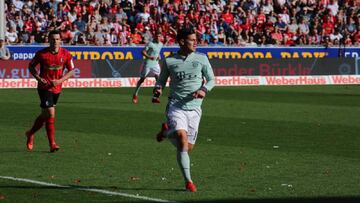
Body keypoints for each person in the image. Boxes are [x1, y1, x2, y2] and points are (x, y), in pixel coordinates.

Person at [153, 28, 215, 192]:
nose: (196, 42)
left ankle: (166, 133)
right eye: (192, 40)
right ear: (181, 42)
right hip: (176, 106)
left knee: (188, 147)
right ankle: (188, 181)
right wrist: (158, 89)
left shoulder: (201, 58)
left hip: (195, 109)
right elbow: (160, 80)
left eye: (196, 39)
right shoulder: (169, 61)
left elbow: (211, 79)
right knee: (182, 138)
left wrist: (203, 90)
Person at [25, 30, 75, 152]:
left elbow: (71, 71)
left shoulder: (66, 54)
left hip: (57, 88)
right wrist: (38, 78)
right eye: (53, 39)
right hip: (44, 88)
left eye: (57, 39)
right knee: (51, 113)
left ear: (60, 40)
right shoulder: (42, 54)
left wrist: (60, 81)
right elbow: (31, 66)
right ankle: (52, 144)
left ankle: (31, 133)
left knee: (45, 114)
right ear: (49, 40)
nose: (55, 41)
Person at [132, 32, 163, 104]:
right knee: (142, 79)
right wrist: (149, 57)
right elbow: (143, 51)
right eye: (157, 36)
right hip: (148, 63)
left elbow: (157, 52)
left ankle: (155, 97)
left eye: (159, 36)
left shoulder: (161, 44)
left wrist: (159, 55)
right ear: (155, 37)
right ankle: (135, 94)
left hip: (156, 63)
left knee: (158, 79)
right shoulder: (150, 44)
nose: (158, 37)